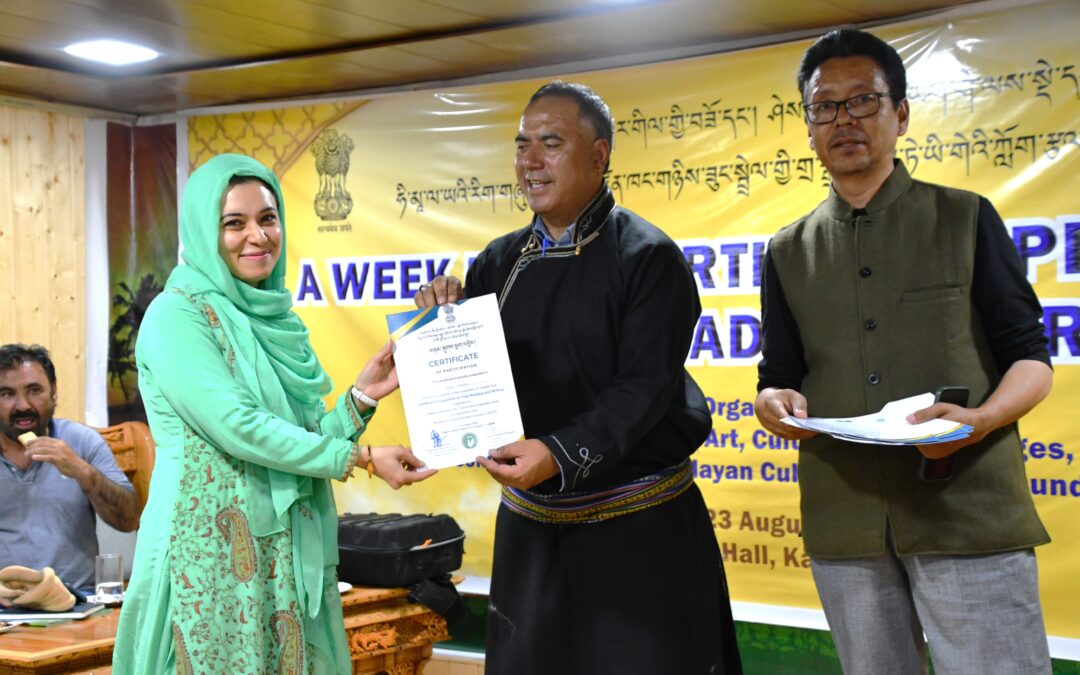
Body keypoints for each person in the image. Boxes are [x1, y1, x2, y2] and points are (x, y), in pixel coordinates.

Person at [416, 82, 742, 675]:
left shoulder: (648, 258)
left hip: (638, 532)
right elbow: (479, 382)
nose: (529, 162)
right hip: (533, 535)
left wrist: (558, 453)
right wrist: (442, 325)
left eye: (550, 143)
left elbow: (642, 390)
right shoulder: (496, 263)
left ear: (599, 155)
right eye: (521, 146)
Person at [755, 29, 1053, 674]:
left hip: (966, 511)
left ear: (902, 114)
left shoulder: (965, 219)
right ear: (807, 126)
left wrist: (981, 421)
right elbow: (777, 376)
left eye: (862, 101)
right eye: (824, 106)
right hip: (846, 518)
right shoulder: (786, 252)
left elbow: (1031, 359)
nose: (843, 120)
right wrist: (772, 402)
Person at [112, 154, 434, 674]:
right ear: (202, 230)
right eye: (233, 223)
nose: (256, 236)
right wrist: (363, 457)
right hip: (206, 559)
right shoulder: (177, 315)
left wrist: (361, 399)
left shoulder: (273, 317)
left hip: (277, 555)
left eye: (267, 218)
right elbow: (239, 428)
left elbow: (294, 442)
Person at [0, 343, 138, 592]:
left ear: (54, 392)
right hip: (4, 608)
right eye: (6, 394)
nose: (22, 405)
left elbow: (128, 520)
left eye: (34, 390)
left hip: (78, 600)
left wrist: (84, 473)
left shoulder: (81, 441)